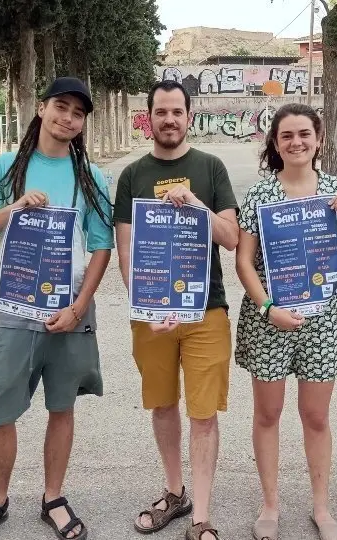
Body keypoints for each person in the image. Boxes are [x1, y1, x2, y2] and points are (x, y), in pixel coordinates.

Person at [0, 77, 113, 540]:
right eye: (61, 107)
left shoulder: (91, 176)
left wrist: (81, 306)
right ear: (41, 108)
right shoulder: (7, 168)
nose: (68, 118)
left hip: (71, 313)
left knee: (61, 407)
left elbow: (102, 246)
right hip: (15, 309)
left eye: (78, 113)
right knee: (2, 410)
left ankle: (53, 498)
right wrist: (15, 207)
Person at [113, 80, 239, 540]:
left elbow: (231, 237)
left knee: (204, 414)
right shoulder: (132, 176)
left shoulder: (211, 167)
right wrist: (144, 303)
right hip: (153, 315)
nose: (169, 120)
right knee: (164, 405)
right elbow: (125, 249)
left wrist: (198, 207)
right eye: (160, 112)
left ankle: (201, 515)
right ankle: (174, 492)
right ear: (149, 117)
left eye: (176, 112)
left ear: (190, 116)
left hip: (207, 310)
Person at [234, 103, 337, 540]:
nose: (296, 142)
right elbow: (244, 262)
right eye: (286, 135)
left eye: (304, 134)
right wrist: (268, 307)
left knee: (316, 416)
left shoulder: (334, 189)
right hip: (269, 316)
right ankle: (270, 505)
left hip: (320, 320)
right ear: (275, 143)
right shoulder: (260, 194)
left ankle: (322, 508)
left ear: (319, 139)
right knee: (268, 414)